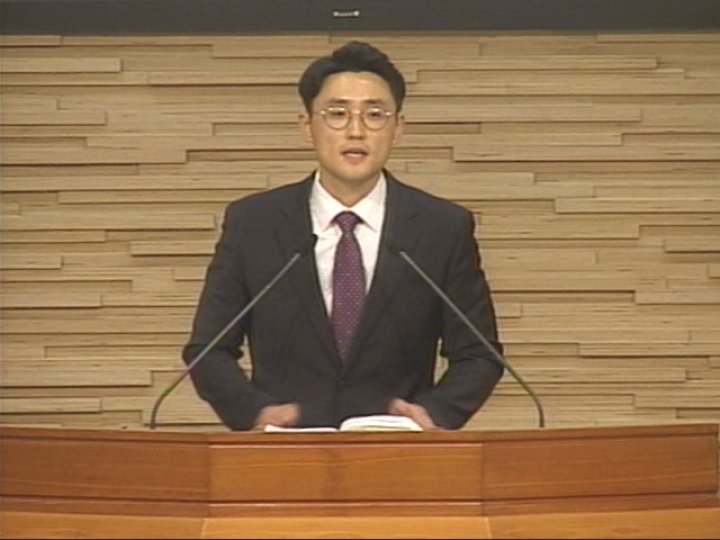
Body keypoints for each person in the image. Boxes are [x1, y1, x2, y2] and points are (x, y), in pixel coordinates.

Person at [182, 41, 504, 431]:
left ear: (398, 128)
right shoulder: (254, 223)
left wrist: (433, 414)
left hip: (400, 452)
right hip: (283, 451)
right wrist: (254, 412)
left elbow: (478, 354)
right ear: (307, 126)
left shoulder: (442, 228)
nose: (356, 130)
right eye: (337, 114)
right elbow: (208, 349)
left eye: (375, 115)